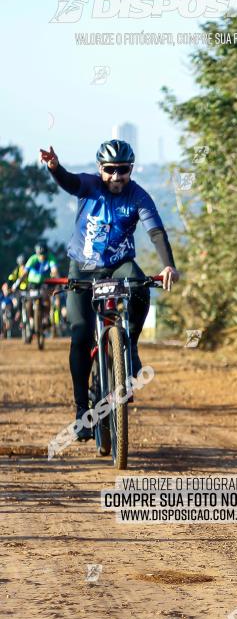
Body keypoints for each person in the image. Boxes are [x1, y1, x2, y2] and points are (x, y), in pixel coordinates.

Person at [39, 140, 179, 440]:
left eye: (123, 171)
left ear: (131, 169)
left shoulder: (138, 195)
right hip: (82, 269)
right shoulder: (89, 185)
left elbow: (155, 231)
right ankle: (81, 410)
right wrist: (54, 168)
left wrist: (168, 265)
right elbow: (70, 182)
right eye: (110, 170)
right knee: (79, 335)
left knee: (141, 286)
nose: (117, 177)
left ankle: (130, 347)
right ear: (100, 169)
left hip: (119, 265)